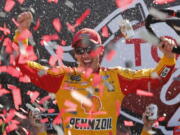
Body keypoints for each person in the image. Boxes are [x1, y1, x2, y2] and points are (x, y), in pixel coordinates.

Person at [12, 11, 177, 135]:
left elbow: (156, 79)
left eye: (90, 49)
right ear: (75, 54)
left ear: (100, 50)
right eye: (80, 50)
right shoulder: (61, 78)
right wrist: (21, 32)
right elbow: (23, 63)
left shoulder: (117, 77)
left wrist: (168, 58)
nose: (85, 55)